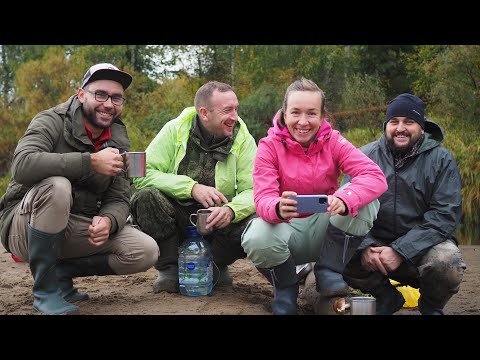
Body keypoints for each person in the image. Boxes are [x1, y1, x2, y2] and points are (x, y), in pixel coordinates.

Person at [0, 63, 159, 315]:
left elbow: (119, 197)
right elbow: (22, 165)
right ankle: (45, 292)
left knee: (144, 251)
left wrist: (109, 220)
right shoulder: (51, 120)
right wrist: (90, 161)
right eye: (101, 94)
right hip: (22, 227)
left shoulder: (117, 136)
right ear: (81, 94)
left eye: (116, 97)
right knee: (57, 186)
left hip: (72, 226)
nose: (109, 104)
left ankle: (62, 273)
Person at [241, 78, 388, 315]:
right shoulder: (268, 146)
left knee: (366, 200)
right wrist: (277, 207)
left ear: (322, 117)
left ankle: (328, 271)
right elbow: (262, 199)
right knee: (256, 234)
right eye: (295, 112)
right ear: (284, 114)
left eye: (311, 113)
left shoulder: (334, 140)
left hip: (327, 229)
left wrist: (346, 197)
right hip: (287, 231)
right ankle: (286, 289)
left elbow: (375, 176)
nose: (303, 121)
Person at [342, 93, 467, 315]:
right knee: (335, 248)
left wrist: (400, 251)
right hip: (374, 249)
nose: (401, 128)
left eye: (409, 122)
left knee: (448, 262)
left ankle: (430, 306)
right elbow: (345, 209)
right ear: (386, 126)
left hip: (421, 248)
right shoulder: (363, 156)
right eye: (394, 122)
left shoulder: (441, 160)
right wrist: (365, 247)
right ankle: (386, 298)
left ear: (421, 127)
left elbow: (444, 216)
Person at [130, 81, 257, 293]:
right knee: (146, 197)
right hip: (177, 216)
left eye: (236, 109)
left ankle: (215, 264)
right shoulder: (174, 130)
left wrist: (231, 210)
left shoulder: (243, 139)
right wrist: (191, 188)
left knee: (253, 221)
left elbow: (255, 190)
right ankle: (170, 269)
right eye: (227, 110)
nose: (234, 116)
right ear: (204, 113)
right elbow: (142, 175)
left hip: (218, 219)